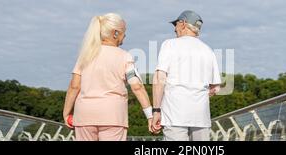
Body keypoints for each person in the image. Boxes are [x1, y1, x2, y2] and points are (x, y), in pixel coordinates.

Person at [62, 13, 154, 141]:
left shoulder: (85, 55)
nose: (125, 36)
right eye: (124, 32)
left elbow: (74, 86)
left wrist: (66, 113)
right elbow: (137, 86)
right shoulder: (125, 56)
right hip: (113, 116)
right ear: (115, 33)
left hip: (84, 115)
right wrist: (150, 115)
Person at [151, 10, 222, 141]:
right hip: (201, 117)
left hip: (174, 114)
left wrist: (156, 111)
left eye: (175, 25)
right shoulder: (208, 50)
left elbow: (159, 79)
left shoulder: (169, 44)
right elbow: (215, 88)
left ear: (182, 23)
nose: (175, 29)